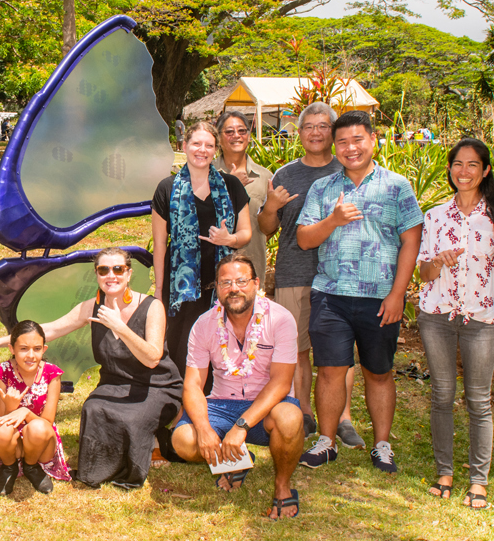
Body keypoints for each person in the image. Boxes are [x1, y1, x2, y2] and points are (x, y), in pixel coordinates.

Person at [295, 110, 424, 474]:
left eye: (357, 140)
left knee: (379, 372)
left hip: (381, 298)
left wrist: (398, 294)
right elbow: (305, 239)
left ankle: (382, 444)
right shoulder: (323, 189)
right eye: (343, 142)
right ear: (334, 148)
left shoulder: (396, 186)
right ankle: (327, 441)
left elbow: (410, 239)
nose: (350, 148)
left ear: (373, 140)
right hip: (331, 295)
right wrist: (332, 220)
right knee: (331, 371)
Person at [0, 248, 183, 489]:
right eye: (103, 270)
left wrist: (120, 326)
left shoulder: (152, 307)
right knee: (93, 408)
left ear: (129, 273)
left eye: (118, 269)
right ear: (96, 274)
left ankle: (152, 445)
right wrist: (4, 340)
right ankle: (98, 471)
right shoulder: (92, 306)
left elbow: (153, 358)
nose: (111, 275)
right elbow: (53, 328)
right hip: (115, 383)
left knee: (132, 417)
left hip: (157, 385)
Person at [417, 139, 494, 510]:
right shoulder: (434, 215)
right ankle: (444, 472)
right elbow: (423, 272)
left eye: (473, 165)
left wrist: (482, 294)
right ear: (449, 169)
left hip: (480, 320)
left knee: (478, 400)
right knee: (442, 395)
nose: (464, 171)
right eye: (457, 164)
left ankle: (478, 481)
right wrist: (439, 262)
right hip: (436, 317)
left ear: (486, 170)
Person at [256, 102, 364, 448]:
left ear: (333, 132)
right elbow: (266, 228)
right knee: (298, 349)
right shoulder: (286, 174)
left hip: (341, 276)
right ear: (299, 133)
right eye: (308, 127)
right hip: (295, 271)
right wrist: (271, 207)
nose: (315, 133)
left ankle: (343, 417)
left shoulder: (349, 168)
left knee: (339, 353)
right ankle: (303, 411)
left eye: (322, 126)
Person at [169, 257, 305, 517]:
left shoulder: (280, 319)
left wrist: (241, 426)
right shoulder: (204, 324)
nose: (234, 289)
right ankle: (235, 461)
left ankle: (282, 486)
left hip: (269, 407)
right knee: (183, 440)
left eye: (241, 281)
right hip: (222, 403)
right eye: (226, 282)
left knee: (290, 419)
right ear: (217, 288)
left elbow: (281, 382)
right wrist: (204, 429)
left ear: (256, 283)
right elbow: (193, 385)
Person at [152, 122, 252, 373]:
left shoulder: (231, 186)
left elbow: (246, 234)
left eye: (209, 145)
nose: (202, 150)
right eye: (196, 143)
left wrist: (228, 240)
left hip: (224, 284)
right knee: (181, 348)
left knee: (222, 349)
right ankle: (183, 405)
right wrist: (159, 292)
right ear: (184, 146)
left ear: (215, 150)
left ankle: (216, 403)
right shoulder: (167, 188)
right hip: (182, 287)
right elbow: (161, 244)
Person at [0, 320, 69, 497]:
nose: (30, 355)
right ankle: (10, 467)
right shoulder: (3, 372)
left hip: (41, 443)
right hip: (12, 444)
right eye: (23, 349)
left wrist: (25, 412)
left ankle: (32, 467)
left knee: (38, 428)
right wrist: (11, 407)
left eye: (37, 349)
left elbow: (48, 422)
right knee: (1, 431)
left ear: (44, 349)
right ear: (12, 349)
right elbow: (3, 418)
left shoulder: (52, 374)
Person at [216, 111, 272, 284]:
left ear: (249, 136)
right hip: (212, 266)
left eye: (242, 131)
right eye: (229, 131)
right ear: (218, 137)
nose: (236, 136)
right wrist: (230, 187)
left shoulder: (265, 177)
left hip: (252, 265)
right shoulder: (204, 174)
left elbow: (269, 227)